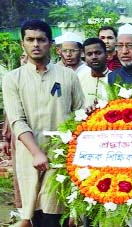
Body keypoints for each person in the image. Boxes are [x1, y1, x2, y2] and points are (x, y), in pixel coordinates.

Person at [2, 19, 85, 227]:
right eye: (30, 40)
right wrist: (36, 152)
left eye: (41, 39)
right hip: (29, 155)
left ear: (51, 43)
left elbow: (80, 114)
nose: (36, 44)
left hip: (61, 154)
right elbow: (17, 120)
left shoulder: (68, 76)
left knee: (53, 213)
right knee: (34, 213)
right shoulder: (13, 79)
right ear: (23, 44)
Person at [80, 38, 111, 108]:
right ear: (84, 57)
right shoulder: (79, 78)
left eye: (98, 53)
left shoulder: (115, 79)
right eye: (89, 54)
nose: (94, 57)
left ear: (106, 54)